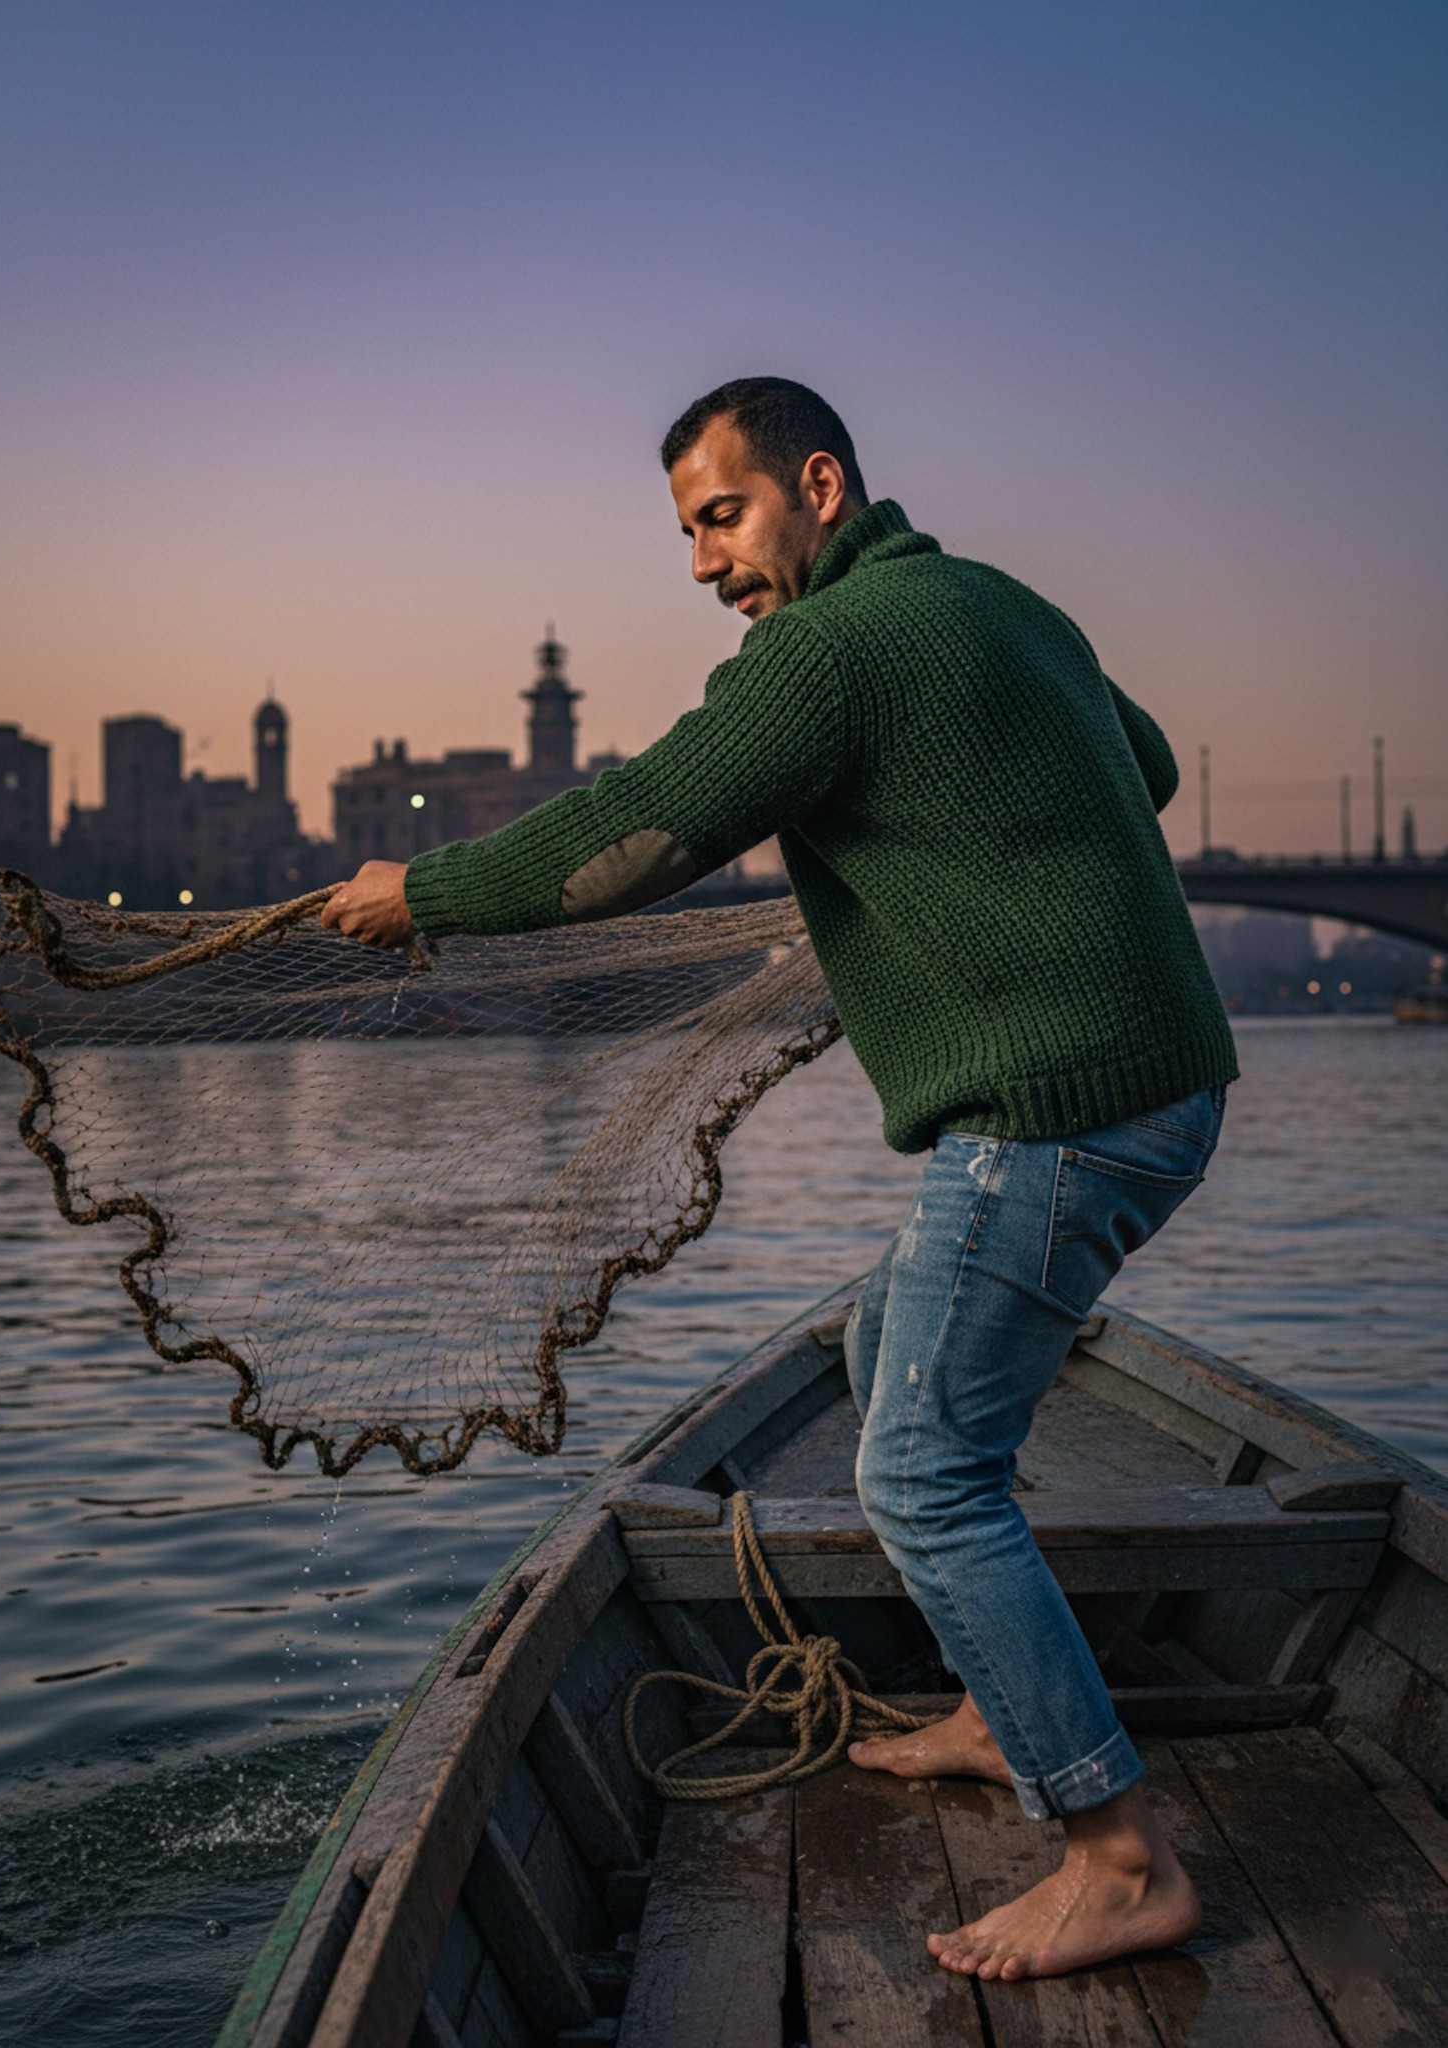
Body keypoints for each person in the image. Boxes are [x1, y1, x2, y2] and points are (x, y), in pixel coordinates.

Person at [323, 376, 1238, 1981]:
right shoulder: (1001, 604)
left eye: (723, 517)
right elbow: (1140, 765)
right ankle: (997, 1706)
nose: (700, 562)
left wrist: (434, 893)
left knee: (919, 1476)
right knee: (897, 1362)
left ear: (819, 485)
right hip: (1153, 1091)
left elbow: (638, 833)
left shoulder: (825, 652)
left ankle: (1118, 1852)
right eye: (683, 532)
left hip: (1049, 1114)